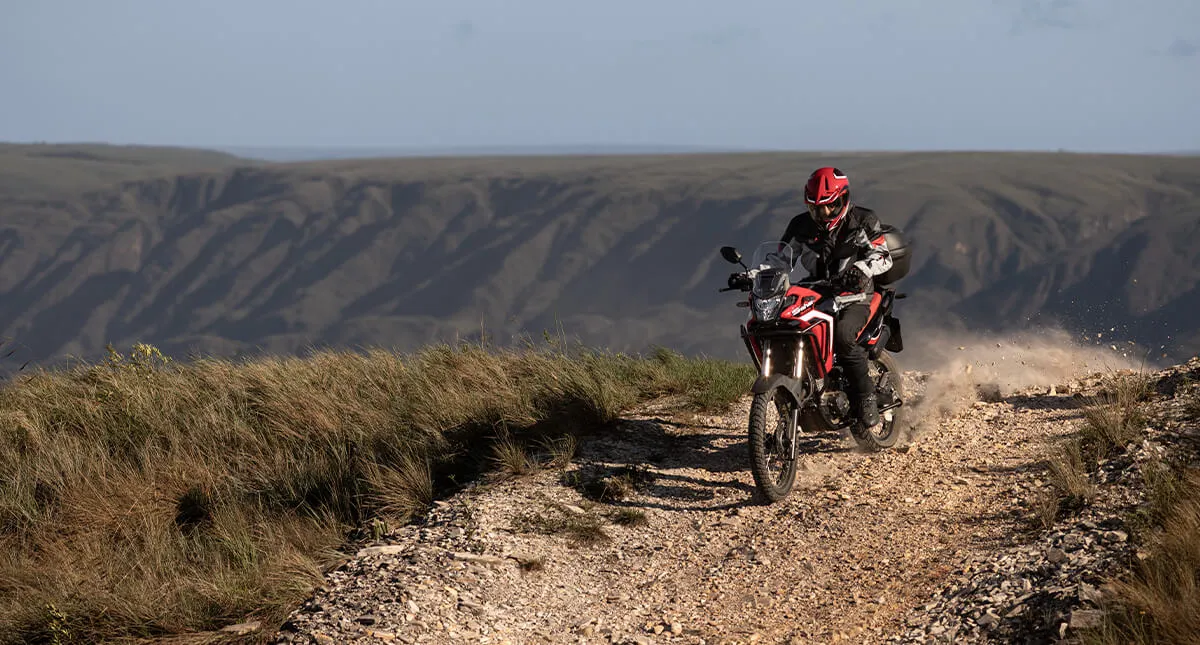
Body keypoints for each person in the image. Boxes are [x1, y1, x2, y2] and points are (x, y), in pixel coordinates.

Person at [780, 167, 894, 429]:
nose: (825, 213)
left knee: (843, 336)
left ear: (844, 198)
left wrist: (861, 269)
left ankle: (865, 398)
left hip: (856, 295)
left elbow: (883, 256)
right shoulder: (800, 226)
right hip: (817, 292)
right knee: (787, 326)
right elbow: (780, 256)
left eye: (831, 206)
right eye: (817, 208)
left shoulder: (862, 219)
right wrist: (758, 274)